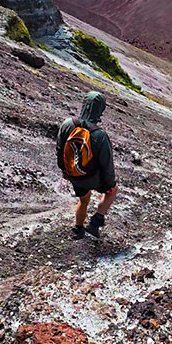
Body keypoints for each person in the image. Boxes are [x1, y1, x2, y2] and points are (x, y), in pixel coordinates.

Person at [57, 91, 117, 239]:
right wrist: (109, 184)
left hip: (74, 174)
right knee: (113, 190)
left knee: (84, 199)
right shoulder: (100, 135)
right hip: (93, 177)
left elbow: (59, 149)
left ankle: (78, 229)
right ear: (100, 110)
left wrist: (65, 171)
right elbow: (107, 165)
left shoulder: (67, 124)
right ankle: (95, 223)